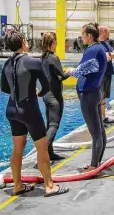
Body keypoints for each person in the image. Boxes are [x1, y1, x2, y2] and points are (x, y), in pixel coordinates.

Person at [0, 31, 69, 197]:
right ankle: (50, 186)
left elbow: (4, 88)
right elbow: (46, 87)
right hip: (29, 110)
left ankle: (17, 185)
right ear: (24, 43)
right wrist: (37, 93)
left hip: (11, 110)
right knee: (42, 148)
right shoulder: (33, 62)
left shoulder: (7, 64)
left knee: (17, 149)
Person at [69, 23, 107, 173]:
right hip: (95, 92)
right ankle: (97, 162)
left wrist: (71, 71)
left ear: (89, 36)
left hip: (89, 95)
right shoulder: (100, 48)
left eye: (83, 35)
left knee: (95, 133)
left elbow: (82, 70)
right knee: (100, 130)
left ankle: (93, 166)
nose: (82, 37)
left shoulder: (93, 50)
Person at [41, 32, 70, 161]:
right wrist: (70, 71)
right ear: (53, 42)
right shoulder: (53, 57)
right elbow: (62, 76)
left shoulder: (43, 57)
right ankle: (41, 154)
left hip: (46, 96)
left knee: (49, 125)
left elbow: (53, 75)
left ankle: (50, 153)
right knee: (54, 125)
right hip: (55, 97)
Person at [98, 26, 114, 125]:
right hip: (102, 74)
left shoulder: (106, 45)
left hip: (107, 74)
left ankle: (103, 116)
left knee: (103, 97)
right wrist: (106, 55)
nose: (109, 34)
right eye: (108, 32)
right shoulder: (97, 45)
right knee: (100, 97)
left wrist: (107, 54)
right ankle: (100, 118)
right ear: (104, 32)